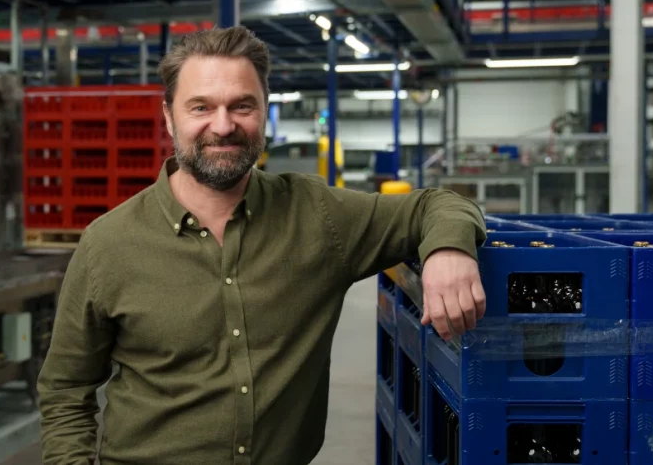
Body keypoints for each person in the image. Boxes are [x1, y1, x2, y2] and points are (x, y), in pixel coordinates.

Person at [37, 26, 487, 465]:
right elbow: (65, 391)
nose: (223, 125)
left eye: (242, 106)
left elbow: (439, 205)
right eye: (200, 107)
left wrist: (450, 251)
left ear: (264, 110)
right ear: (169, 117)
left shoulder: (318, 215)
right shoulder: (108, 244)